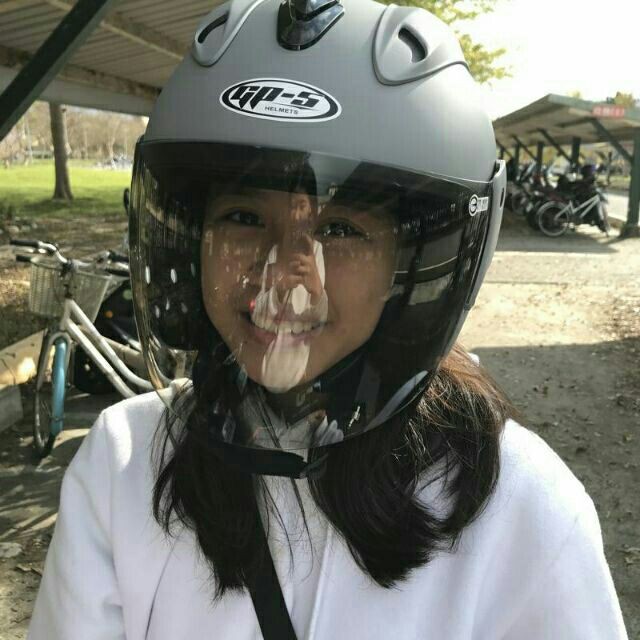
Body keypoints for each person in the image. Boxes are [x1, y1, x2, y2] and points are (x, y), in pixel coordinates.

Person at [29, 0, 628, 638]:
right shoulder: (126, 462)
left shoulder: (521, 511)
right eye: (242, 218)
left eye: (339, 230)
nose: (283, 277)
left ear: (409, 264)